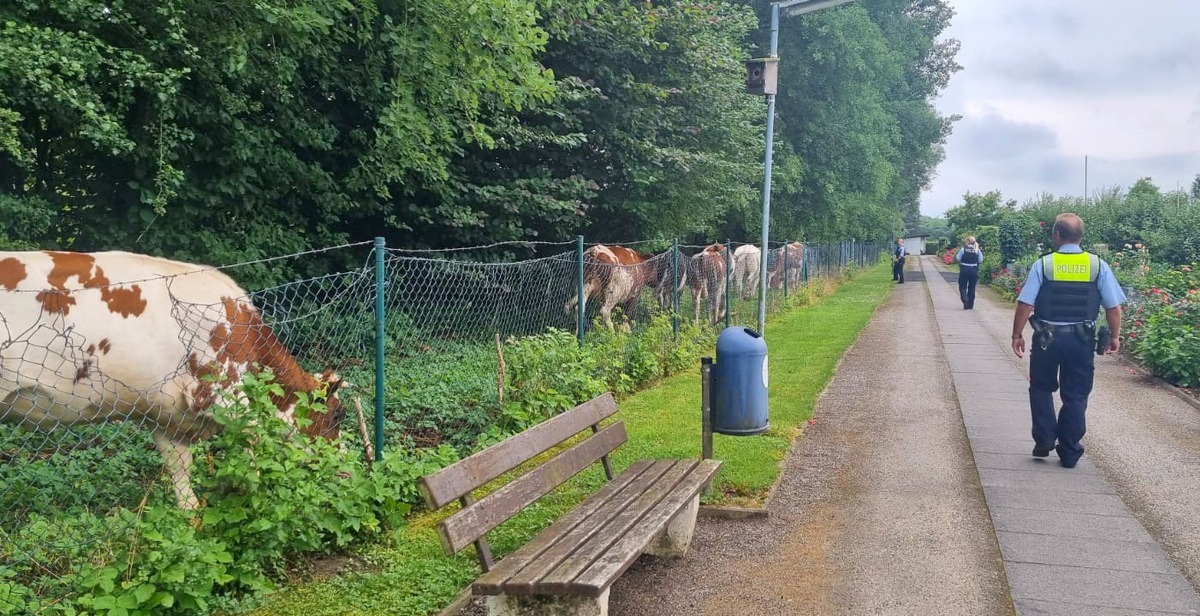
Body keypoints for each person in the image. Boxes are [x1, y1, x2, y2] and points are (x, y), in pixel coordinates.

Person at [1010, 213, 1124, 468]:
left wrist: (1017, 334)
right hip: (1081, 341)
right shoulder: (1097, 266)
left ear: (1057, 235)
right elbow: (1113, 308)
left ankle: (1044, 438)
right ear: (1080, 237)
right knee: (1076, 394)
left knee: (1040, 388)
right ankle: (1070, 450)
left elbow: (1025, 303)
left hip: (1046, 340)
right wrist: (1115, 336)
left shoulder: (1044, 265)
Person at [955, 236, 982, 309]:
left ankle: (965, 299)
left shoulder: (963, 249)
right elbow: (980, 260)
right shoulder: (977, 250)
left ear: (967, 241)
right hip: (974, 270)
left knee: (963, 286)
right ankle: (970, 304)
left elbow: (957, 258)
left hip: (964, 269)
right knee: (972, 287)